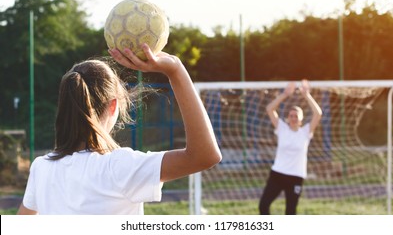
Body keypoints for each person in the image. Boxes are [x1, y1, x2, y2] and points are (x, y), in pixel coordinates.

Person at [17, 44, 222, 215]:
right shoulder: (119, 167)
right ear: (113, 105)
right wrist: (176, 70)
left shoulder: (41, 168)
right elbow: (205, 156)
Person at [259, 80, 322, 215]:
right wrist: (285, 94)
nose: (293, 118)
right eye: (291, 115)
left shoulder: (305, 132)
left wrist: (307, 95)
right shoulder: (282, 128)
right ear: (288, 118)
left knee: (291, 211)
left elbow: (318, 114)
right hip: (278, 174)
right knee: (263, 205)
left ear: (301, 119)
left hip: (296, 176)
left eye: (296, 116)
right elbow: (269, 109)